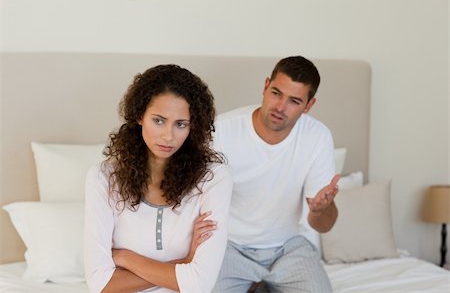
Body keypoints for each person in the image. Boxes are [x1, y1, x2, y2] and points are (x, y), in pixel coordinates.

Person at [84, 64, 233, 293]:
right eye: (159, 120)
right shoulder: (104, 178)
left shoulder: (213, 179)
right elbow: (101, 285)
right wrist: (184, 263)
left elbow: (198, 284)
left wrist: (125, 258)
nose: (168, 136)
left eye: (181, 124)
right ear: (140, 116)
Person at [212, 56, 340, 293]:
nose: (280, 107)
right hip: (229, 247)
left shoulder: (318, 137)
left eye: (294, 101)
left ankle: (260, 286)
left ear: (309, 105)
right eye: (276, 93)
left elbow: (322, 225)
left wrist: (321, 209)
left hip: (288, 248)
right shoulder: (222, 130)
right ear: (265, 86)